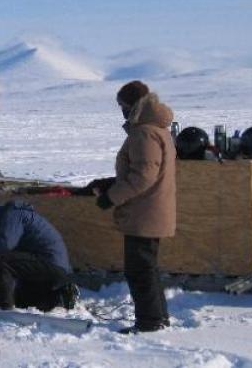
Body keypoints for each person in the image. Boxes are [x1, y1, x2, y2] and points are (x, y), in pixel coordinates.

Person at [91, 80, 176, 334]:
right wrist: (110, 184)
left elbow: (142, 177)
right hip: (150, 210)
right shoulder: (156, 130)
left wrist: (111, 197)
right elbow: (144, 171)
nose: (122, 110)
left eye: (122, 106)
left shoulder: (144, 133)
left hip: (145, 213)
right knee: (147, 268)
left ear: (133, 105)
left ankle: (150, 323)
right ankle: (158, 318)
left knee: (139, 270)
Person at [0, 201, 75, 312]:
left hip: (50, 262)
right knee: (22, 301)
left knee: (2, 260)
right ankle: (56, 299)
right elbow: (15, 263)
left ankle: (3, 307)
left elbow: (6, 243)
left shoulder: (13, 214)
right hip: (56, 268)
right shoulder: (22, 218)